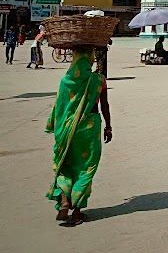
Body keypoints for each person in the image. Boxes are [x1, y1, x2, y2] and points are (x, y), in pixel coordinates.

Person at [45, 46, 112, 225]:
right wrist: (109, 127)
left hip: (67, 129)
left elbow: (58, 107)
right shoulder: (98, 80)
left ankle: (65, 200)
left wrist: (54, 126)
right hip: (89, 128)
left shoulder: (65, 80)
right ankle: (77, 211)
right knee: (86, 167)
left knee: (65, 162)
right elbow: (104, 105)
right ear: (90, 59)